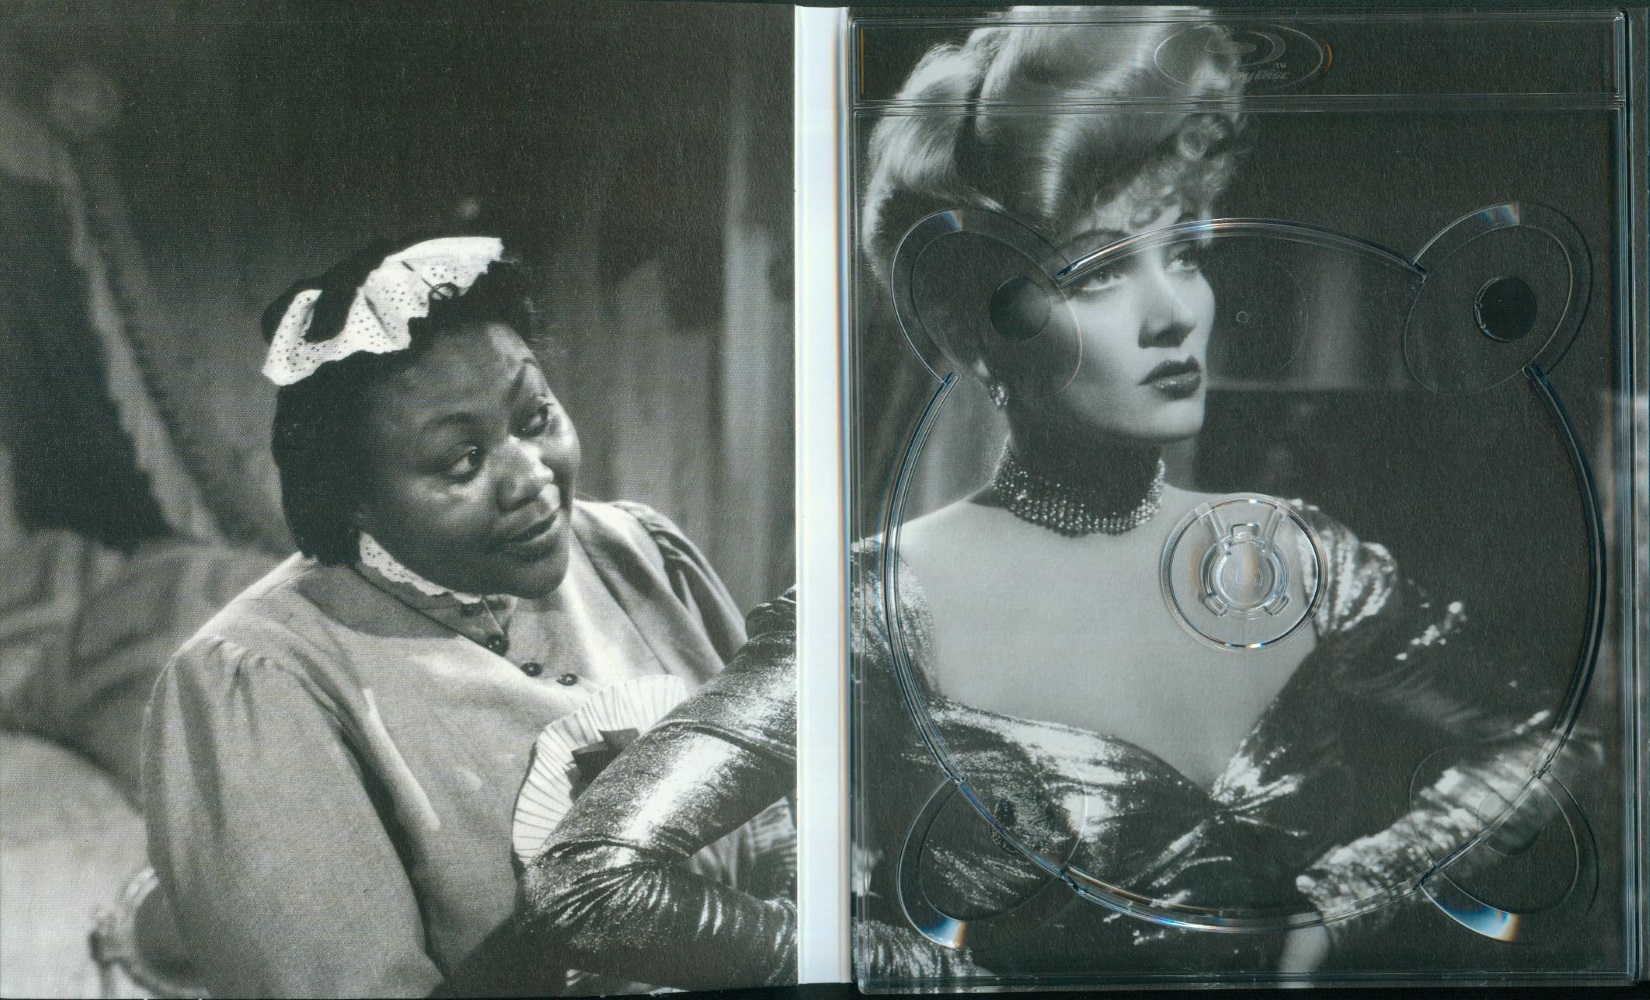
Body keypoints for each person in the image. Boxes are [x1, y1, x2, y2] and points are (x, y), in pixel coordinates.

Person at [446, 15, 1557, 993]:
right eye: (1099, 272)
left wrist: (1346, 901)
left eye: (1184, 253)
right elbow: (590, 881)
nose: (1175, 313)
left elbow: (1542, 744)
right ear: (978, 328)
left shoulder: (1298, 557)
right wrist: (922, 973)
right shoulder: (883, 607)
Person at [140, 236, 749, 997]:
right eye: (462, 460)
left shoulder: (636, 552)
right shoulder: (261, 687)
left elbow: (789, 837)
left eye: (536, 417)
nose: (532, 477)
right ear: (354, 498)